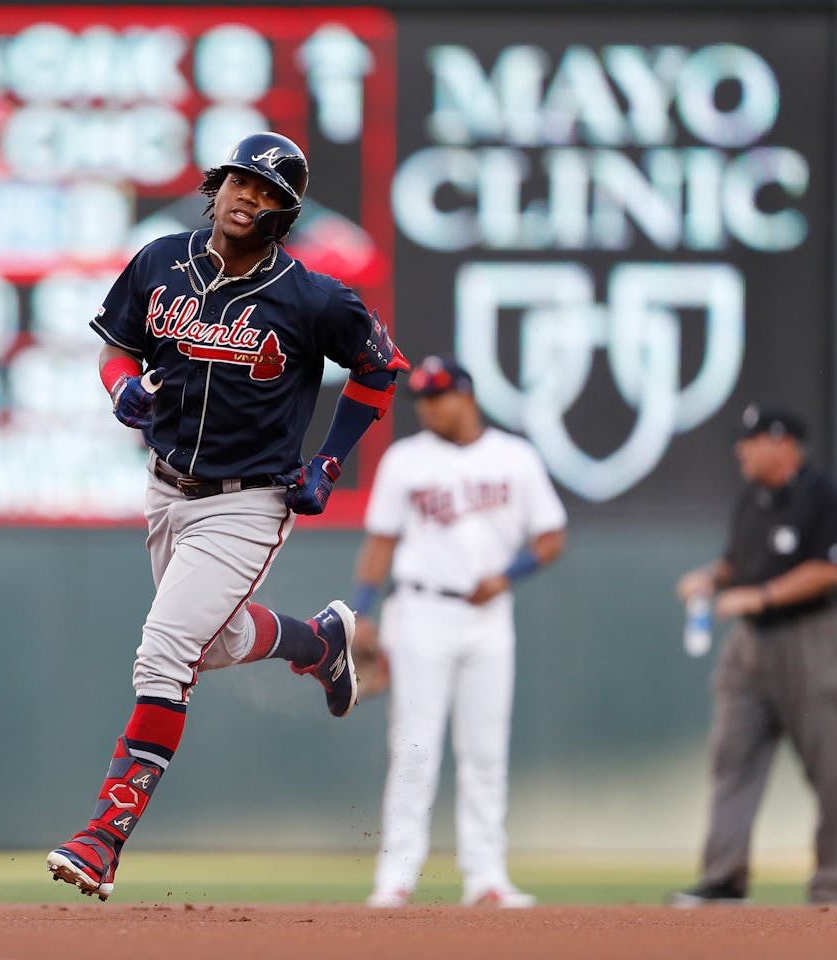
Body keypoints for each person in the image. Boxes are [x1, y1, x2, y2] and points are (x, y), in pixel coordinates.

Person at [44, 131, 410, 901]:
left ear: (285, 213)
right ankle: (319, 641)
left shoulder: (313, 296)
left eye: (270, 192)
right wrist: (119, 389)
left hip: (250, 499)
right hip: (166, 487)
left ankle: (103, 838)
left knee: (165, 653)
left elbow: (379, 368)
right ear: (217, 187)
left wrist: (331, 461)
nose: (250, 197)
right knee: (209, 645)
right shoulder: (159, 263)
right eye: (242, 181)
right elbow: (116, 347)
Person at [349, 355, 567, 909]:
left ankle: (486, 877)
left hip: (489, 618)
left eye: (437, 394)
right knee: (414, 748)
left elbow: (550, 537)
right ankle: (395, 878)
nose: (427, 406)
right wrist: (363, 611)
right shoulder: (405, 460)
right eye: (421, 397)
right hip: (421, 611)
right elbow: (379, 542)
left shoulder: (514, 457)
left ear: (466, 396)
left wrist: (508, 576)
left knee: (486, 751)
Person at [669, 403, 837, 906]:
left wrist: (761, 595)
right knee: (732, 756)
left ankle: (832, 882)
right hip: (749, 644)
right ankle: (723, 878)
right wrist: (711, 577)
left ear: (782, 442)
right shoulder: (751, 498)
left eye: (752, 439)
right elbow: (735, 560)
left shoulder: (822, 494)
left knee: (831, 764)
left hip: (811, 636)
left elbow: (829, 570)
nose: (741, 449)